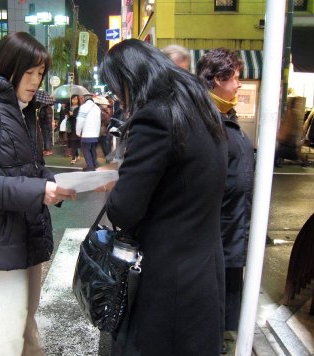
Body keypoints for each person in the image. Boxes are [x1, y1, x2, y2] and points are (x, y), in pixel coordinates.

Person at [100, 39, 228, 355]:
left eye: (118, 89)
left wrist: (120, 181)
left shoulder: (156, 116)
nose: (120, 98)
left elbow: (124, 210)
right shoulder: (201, 106)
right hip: (204, 267)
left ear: (130, 79)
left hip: (168, 278)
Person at [0, 32, 76, 356]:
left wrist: (58, 186)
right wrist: (38, 189)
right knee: (10, 320)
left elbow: (31, 170)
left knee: (24, 320)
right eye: (30, 72)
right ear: (9, 67)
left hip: (27, 232)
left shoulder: (25, 112)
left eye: (40, 74)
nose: (36, 81)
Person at [196, 47, 254, 354]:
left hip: (233, 231)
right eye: (236, 77)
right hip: (217, 235)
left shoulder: (225, 115)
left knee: (230, 304)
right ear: (218, 79)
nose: (239, 84)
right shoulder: (205, 119)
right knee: (216, 308)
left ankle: (224, 344)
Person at [75, 94, 101, 171]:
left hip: (87, 133)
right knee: (92, 149)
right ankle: (95, 164)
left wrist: (78, 132)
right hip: (95, 134)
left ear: (84, 99)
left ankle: (90, 166)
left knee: (86, 150)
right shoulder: (97, 108)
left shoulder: (83, 107)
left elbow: (80, 121)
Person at [67, 94, 81, 164]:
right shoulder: (69, 107)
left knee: (74, 142)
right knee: (73, 142)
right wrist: (68, 115)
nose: (74, 100)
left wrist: (73, 115)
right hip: (70, 128)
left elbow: (79, 117)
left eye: (76, 99)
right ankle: (77, 154)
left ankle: (73, 158)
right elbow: (66, 115)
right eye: (73, 99)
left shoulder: (80, 108)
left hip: (76, 127)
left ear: (78, 100)